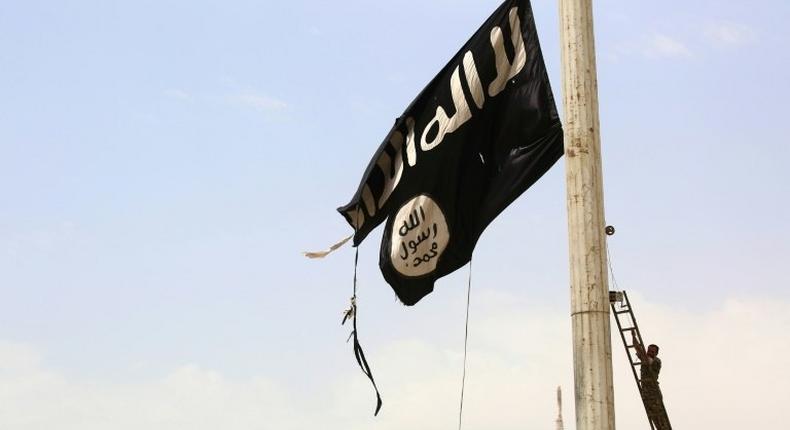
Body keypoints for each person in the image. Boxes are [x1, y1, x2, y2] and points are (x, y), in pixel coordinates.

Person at [633, 333, 671, 430]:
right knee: (653, 416)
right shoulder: (646, 358)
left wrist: (636, 342)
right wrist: (633, 337)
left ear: (656, 353)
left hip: (653, 393)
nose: (649, 352)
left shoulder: (656, 361)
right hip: (646, 392)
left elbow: (642, 355)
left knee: (660, 417)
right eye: (649, 350)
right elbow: (638, 350)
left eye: (652, 351)